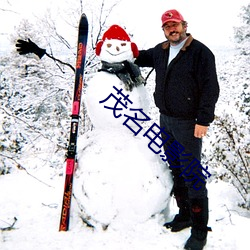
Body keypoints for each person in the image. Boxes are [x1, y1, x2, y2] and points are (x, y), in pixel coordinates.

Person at [135, 9, 219, 250]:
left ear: (184, 24)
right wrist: (115, 46)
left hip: (189, 123)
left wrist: (203, 120)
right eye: (167, 26)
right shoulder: (161, 51)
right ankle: (185, 215)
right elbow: (138, 56)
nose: (172, 29)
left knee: (192, 173)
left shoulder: (200, 52)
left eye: (175, 24)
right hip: (166, 120)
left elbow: (210, 88)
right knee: (177, 169)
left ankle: (200, 231)